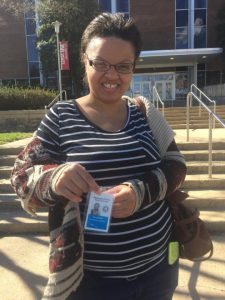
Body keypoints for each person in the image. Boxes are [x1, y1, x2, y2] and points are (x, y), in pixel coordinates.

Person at [11, 13, 187, 300]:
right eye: (101, 63)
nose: (112, 75)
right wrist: (54, 178)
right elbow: (21, 177)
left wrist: (139, 192)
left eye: (123, 66)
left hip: (159, 269)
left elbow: (176, 166)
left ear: (133, 68)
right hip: (92, 282)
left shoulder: (145, 112)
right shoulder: (61, 116)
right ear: (84, 60)